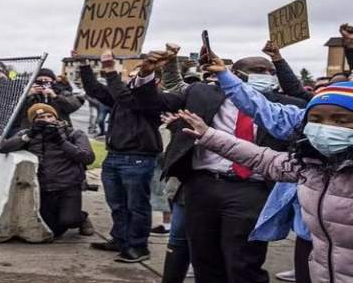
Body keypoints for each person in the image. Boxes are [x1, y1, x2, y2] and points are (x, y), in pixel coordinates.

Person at [131, 46, 306, 282]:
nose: (264, 75)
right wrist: (146, 74)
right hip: (203, 186)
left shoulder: (282, 107)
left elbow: (311, 103)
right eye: (257, 70)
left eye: (269, 71)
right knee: (205, 260)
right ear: (234, 72)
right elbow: (154, 102)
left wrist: (279, 60)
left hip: (251, 189)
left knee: (243, 262)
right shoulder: (201, 93)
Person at [177, 77, 353, 282]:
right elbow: (262, 158)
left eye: (341, 120)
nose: (325, 128)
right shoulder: (310, 166)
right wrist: (209, 135)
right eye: (315, 119)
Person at [79, 51, 168, 263]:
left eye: (139, 73)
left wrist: (110, 72)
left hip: (138, 159)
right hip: (115, 157)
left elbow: (127, 99)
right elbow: (94, 90)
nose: (133, 75)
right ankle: (120, 238)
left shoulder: (155, 100)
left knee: (136, 205)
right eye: (134, 72)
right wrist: (83, 64)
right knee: (117, 204)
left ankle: (138, 246)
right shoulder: (122, 97)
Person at [0, 103, 95, 238]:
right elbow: (3, 148)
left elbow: (88, 157)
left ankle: (81, 218)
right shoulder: (27, 134)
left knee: (69, 220)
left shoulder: (73, 133)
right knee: (53, 231)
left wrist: (61, 142)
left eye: (50, 116)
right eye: (41, 117)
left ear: (56, 117)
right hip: (43, 186)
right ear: (33, 121)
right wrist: (29, 135)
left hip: (68, 184)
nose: (46, 120)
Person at [15, 68, 83, 130]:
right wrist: (26, 96)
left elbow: (73, 106)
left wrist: (55, 96)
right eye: (39, 81)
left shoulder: (62, 92)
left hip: (59, 129)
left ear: (53, 81)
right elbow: (14, 112)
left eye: (46, 81)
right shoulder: (27, 93)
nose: (43, 82)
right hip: (32, 129)